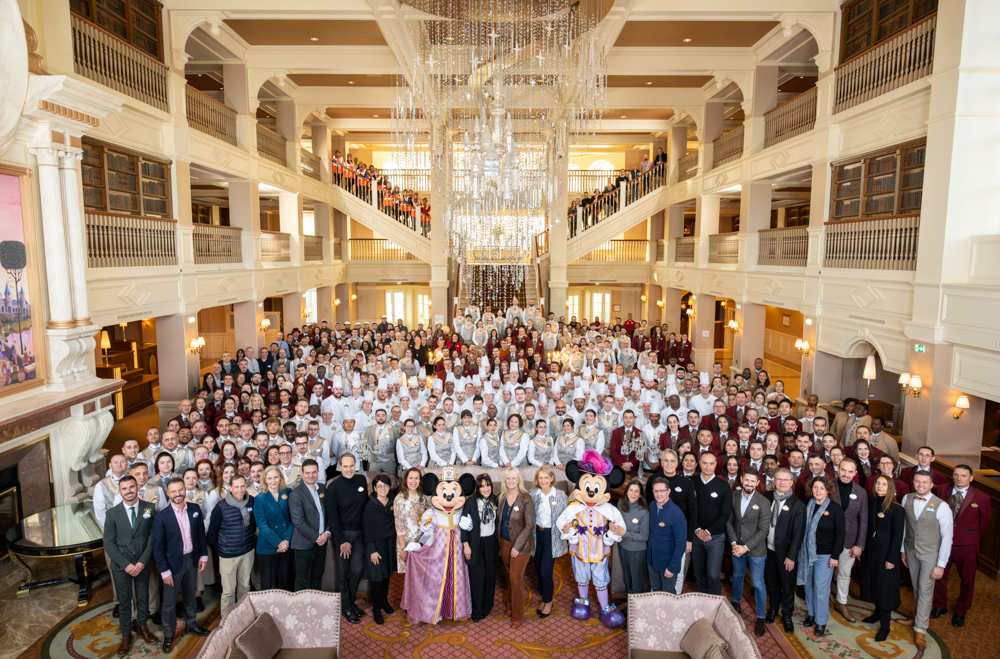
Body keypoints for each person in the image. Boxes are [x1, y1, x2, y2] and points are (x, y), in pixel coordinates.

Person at [151, 478, 211, 653]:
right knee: (169, 602)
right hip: (171, 565)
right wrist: (164, 571)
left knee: (190, 596)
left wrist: (203, 555)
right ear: (168, 494)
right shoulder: (161, 517)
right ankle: (169, 635)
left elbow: (200, 534)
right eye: (174, 491)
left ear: (185, 490)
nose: (178, 494)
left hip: (191, 559)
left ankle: (191, 624)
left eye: (180, 490)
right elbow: (157, 547)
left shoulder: (194, 509)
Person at [102, 475, 159, 654]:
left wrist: (142, 561)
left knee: (143, 597)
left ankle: (142, 627)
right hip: (121, 566)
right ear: (120, 491)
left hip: (142, 563)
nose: (129, 491)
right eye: (125, 488)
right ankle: (126, 635)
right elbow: (109, 543)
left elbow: (152, 536)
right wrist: (126, 564)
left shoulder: (149, 508)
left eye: (131, 487)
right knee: (124, 602)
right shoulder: (112, 513)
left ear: (137, 488)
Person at [900, 471, 953, 650]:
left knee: (925, 589)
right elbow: (905, 528)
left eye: (925, 482)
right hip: (910, 549)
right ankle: (917, 618)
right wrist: (902, 551)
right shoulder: (906, 499)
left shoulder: (942, 506)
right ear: (913, 482)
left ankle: (921, 629)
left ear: (932, 485)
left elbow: (947, 537)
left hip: (930, 553)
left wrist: (940, 565)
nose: (920, 485)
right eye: (917, 481)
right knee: (916, 586)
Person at [932, 464, 990, 627]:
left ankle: (961, 611)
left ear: (971, 478)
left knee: (967, 580)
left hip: (967, 545)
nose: (959, 478)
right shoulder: (943, 489)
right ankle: (940, 605)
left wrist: (969, 535)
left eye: (963, 475)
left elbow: (984, 522)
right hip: (943, 541)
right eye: (956, 475)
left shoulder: (982, 498)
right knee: (939, 574)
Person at [726, 467, 771, 637]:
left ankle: (760, 617)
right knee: (737, 575)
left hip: (756, 550)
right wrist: (734, 543)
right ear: (741, 479)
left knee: (757, 582)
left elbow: (763, 530)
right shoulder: (733, 495)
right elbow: (729, 521)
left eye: (753, 481)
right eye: (747, 480)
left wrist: (746, 547)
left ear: (757, 483)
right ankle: (736, 603)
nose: (749, 483)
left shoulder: (763, 502)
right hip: (736, 547)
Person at [797, 476, 845, 638]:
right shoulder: (805, 505)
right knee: (808, 586)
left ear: (828, 491)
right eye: (815, 487)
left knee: (821, 589)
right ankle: (812, 614)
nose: (818, 491)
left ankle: (821, 621)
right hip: (807, 553)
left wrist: (835, 556)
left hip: (825, 556)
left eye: (821, 488)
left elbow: (840, 535)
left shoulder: (835, 509)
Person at [860, 475, 905, 643]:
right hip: (872, 552)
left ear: (890, 488)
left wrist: (892, 558)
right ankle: (877, 614)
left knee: (885, 588)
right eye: (877, 483)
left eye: (883, 484)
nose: (879, 486)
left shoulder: (897, 509)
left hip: (886, 554)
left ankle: (885, 626)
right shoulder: (873, 503)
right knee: (874, 583)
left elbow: (897, 536)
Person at [327, 453, 369, 623]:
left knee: (358, 569)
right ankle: (346, 607)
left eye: (351, 465)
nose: (349, 469)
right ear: (339, 467)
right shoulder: (333, 487)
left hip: (359, 534)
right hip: (342, 535)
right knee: (343, 573)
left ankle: (350, 602)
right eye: (345, 466)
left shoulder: (361, 481)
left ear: (356, 465)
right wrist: (342, 541)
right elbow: (332, 517)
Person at [207, 474, 256, 617]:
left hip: (247, 552)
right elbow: (212, 533)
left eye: (242, 486)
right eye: (236, 487)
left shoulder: (251, 501)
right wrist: (223, 548)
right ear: (230, 488)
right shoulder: (220, 507)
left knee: (244, 586)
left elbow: (253, 525)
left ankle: (243, 617)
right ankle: (227, 623)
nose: (240, 490)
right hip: (228, 555)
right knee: (229, 591)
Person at [764, 467, 805, 633]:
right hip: (767, 551)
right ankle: (773, 608)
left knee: (787, 587)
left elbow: (798, 534)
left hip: (786, 554)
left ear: (791, 483)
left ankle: (787, 615)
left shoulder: (798, 505)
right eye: (779, 479)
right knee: (772, 583)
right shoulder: (766, 498)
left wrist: (791, 557)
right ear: (774, 481)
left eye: (786, 480)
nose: (782, 483)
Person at [529, 465, 568, 617]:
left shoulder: (560, 495)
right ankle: (543, 596)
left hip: (552, 536)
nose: (543, 480)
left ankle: (548, 601)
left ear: (552, 478)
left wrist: (569, 526)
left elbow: (567, 515)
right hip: (537, 534)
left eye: (546, 477)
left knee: (546, 572)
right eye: (540, 478)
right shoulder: (533, 494)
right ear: (537, 480)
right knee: (538, 569)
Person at [498, 468, 534, 629]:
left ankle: (518, 615)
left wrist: (517, 547)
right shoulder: (502, 497)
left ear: (519, 480)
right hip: (504, 542)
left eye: (513, 478)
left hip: (521, 546)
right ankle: (510, 607)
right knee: (509, 576)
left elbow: (529, 525)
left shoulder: (526, 499)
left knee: (516, 579)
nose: (511, 481)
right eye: (508, 479)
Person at [691, 452, 731, 595]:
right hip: (696, 537)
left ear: (716, 464)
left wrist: (706, 532)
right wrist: (697, 530)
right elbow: (688, 509)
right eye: (705, 463)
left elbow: (725, 515)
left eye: (711, 463)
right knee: (698, 572)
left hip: (715, 537)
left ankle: (715, 602)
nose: (708, 467)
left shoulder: (724, 487)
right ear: (699, 463)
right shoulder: (691, 482)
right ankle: (702, 599)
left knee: (714, 575)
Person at [832, 460, 867, 623]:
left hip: (850, 540)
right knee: (822, 573)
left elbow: (864, 520)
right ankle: (820, 601)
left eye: (850, 471)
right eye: (843, 470)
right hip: (828, 538)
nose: (846, 474)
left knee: (845, 573)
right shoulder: (827, 485)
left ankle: (842, 602)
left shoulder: (861, 492)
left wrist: (859, 544)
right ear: (838, 469)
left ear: (855, 474)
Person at [288, 459, 330, 591]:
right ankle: (299, 610)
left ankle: (314, 608)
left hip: (322, 543)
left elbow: (329, 514)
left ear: (318, 472)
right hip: (304, 544)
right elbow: (298, 522)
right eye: (307, 473)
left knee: (317, 576)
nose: (310, 475)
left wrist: (327, 533)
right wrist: (318, 537)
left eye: (313, 472)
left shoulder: (322, 488)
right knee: (302, 580)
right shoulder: (296, 494)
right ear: (302, 473)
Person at [462, 474, 499, 622]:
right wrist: (466, 545)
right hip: (476, 543)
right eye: (482, 486)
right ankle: (476, 611)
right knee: (478, 578)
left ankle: (486, 607)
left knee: (490, 577)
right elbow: (463, 525)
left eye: (488, 485)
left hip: (491, 542)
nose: (486, 488)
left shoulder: (494, 500)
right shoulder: (471, 501)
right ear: (477, 487)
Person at [363, 473, 397, 624]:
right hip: (375, 546)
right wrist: (372, 550)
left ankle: (384, 602)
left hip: (389, 544)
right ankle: (376, 608)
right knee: (377, 578)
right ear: (375, 488)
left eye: (386, 485)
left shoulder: (393, 503)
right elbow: (366, 529)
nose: (383, 488)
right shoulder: (370, 506)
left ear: (390, 487)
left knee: (386, 575)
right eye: (380, 486)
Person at [254, 466, 293, 590]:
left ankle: (283, 608)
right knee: (267, 582)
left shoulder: (288, 492)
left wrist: (286, 541)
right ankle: (266, 609)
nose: (273, 481)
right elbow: (262, 526)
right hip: (267, 545)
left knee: (284, 579)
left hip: (286, 544)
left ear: (280, 477)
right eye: (270, 478)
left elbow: (293, 520)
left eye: (276, 477)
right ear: (265, 480)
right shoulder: (260, 498)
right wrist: (279, 543)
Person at [646, 476, 687, 592]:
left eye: (662, 491)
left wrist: (672, 567)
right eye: (656, 491)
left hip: (667, 565)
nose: (659, 494)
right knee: (655, 591)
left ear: (668, 491)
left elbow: (680, 545)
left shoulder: (677, 514)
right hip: (652, 561)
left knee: (668, 597)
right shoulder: (652, 506)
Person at [394, 467, 427, 579]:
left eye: (416, 478)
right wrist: (403, 549)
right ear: (406, 480)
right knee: (409, 578)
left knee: (421, 576)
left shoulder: (422, 497)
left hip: (420, 542)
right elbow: (399, 525)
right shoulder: (400, 498)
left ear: (420, 480)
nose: (413, 481)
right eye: (411, 478)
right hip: (406, 543)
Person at [618, 480, 650, 595]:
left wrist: (625, 534)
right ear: (626, 492)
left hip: (637, 551)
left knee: (637, 582)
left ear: (640, 494)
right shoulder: (621, 504)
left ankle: (636, 610)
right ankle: (630, 608)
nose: (633, 493)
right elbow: (616, 520)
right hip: (623, 547)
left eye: (636, 491)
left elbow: (644, 536)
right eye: (631, 490)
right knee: (629, 580)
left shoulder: (644, 512)